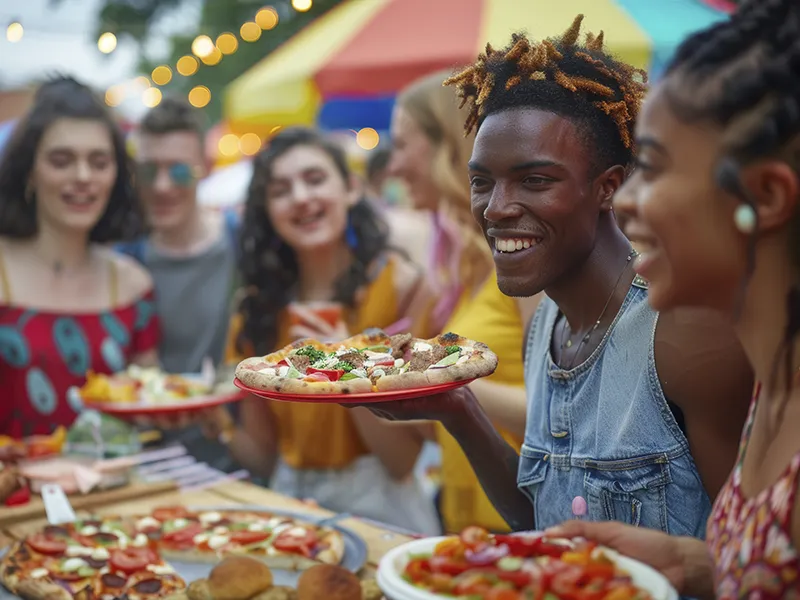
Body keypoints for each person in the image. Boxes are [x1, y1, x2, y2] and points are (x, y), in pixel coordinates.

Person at [362, 16, 754, 538]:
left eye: (536, 180)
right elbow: (545, 522)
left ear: (608, 187)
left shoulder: (681, 332)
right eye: (482, 182)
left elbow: (747, 557)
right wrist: (458, 410)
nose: (497, 208)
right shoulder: (547, 325)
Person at [549, 2, 800, 597]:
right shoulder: (774, 380)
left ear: (763, 195)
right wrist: (695, 564)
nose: (625, 201)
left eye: (653, 170)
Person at [218, 127, 439, 534]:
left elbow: (401, 462)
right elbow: (265, 458)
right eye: (281, 189)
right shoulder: (256, 311)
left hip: (383, 507)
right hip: (291, 509)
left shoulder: (400, 286)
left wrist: (343, 365)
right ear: (266, 209)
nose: (301, 197)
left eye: (315, 179)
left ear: (351, 189)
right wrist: (214, 419)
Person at [388, 69, 538, 534]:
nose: (392, 167)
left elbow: (561, 410)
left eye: (400, 144)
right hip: (464, 523)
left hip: (522, 528)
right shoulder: (457, 269)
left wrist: (443, 382)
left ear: (446, 147)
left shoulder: (524, 256)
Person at [0, 76, 157, 438]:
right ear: (29, 172)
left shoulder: (134, 284)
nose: (83, 176)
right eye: (61, 160)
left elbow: (150, 401)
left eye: (99, 162)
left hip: (117, 490)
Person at [119, 97, 238, 375]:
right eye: (148, 171)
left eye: (179, 170)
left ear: (205, 168)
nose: (162, 186)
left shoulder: (241, 240)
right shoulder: (123, 259)